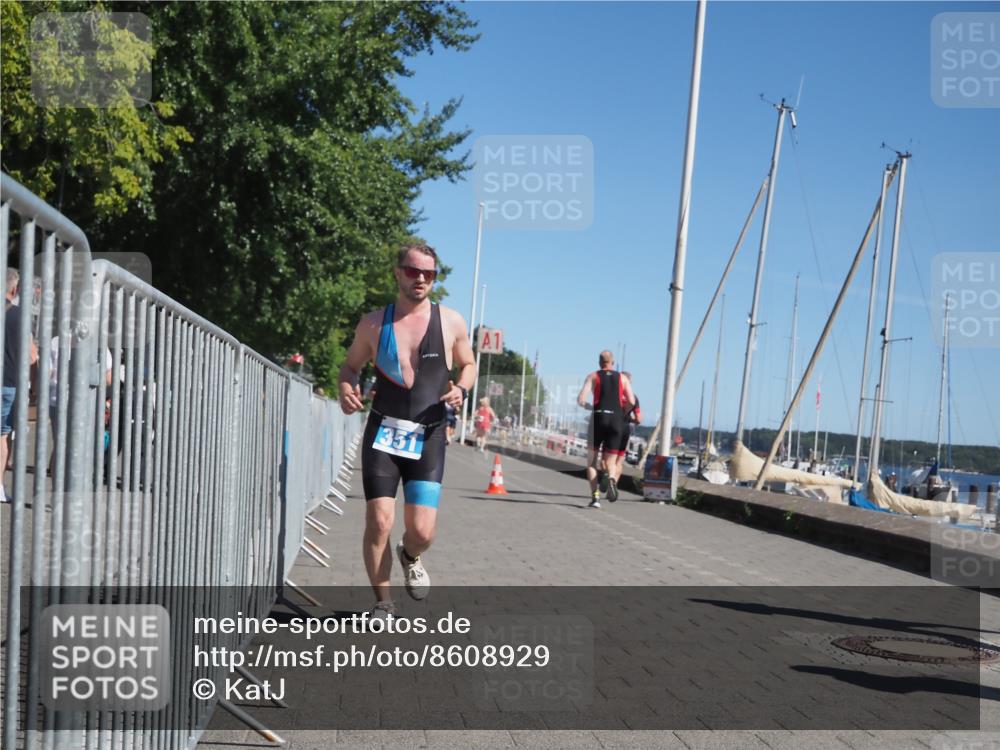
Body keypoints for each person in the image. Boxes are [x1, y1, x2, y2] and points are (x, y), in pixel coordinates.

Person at [338, 243, 475, 617]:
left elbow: (469, 364)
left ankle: (410, 554)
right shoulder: (372, 324)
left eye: (428, 274)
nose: (421, 279)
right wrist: (346, 389)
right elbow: (350, 367)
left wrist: (461, 389)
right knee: (379, 520)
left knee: (423, 531)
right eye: (413, 272)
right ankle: (383, 604)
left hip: (429, 435)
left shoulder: (450, 321)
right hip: (383, 432)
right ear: (398, 272)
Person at [577, 350, 636, 508]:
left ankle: (595, 497)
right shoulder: (623, 378)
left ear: (599, 362)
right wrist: (624, 412)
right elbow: (631, 400)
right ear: (613, 363)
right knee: (611, 460)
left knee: (592, 461)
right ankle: (611, 478)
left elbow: (581, 400)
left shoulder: (593, 376)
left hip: (598, 417)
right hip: (616, 419)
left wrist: (590, 406)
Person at [2, 269, 39, 503]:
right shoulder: (18, 315)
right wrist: (35, 387)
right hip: (8, 383)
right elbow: (32, 355)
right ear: (14, 289)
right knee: (2, 437)